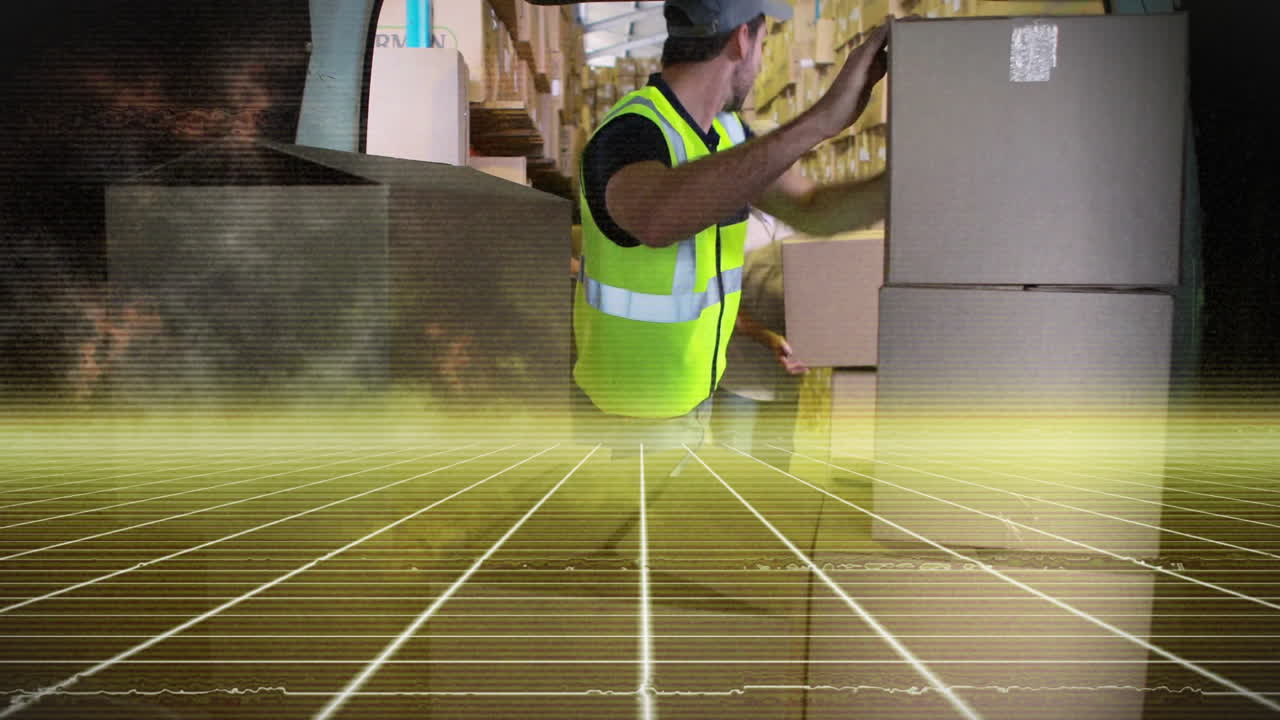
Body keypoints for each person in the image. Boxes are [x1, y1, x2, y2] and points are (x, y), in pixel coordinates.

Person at [572, 0, 890, 460]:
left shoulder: (729, 135)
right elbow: (656, 218)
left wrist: (909, 181)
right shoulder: (630, 131)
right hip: (625, 423)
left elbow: (815, 209)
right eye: (763, 44)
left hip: (693, 406)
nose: (761, 64)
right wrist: (820, 122)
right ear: (743, 39)